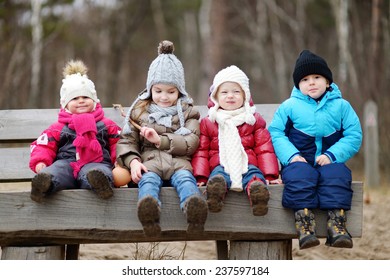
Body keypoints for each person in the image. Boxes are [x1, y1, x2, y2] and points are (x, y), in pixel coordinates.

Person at [268, 50, 363, 249]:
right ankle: (304, 224)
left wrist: (332, 155)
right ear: (298, 85)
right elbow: (276, 132)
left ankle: (336, 224)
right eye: (305, 79)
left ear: (328, 81)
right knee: (299, 175)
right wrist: (291, 156)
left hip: (330, 160)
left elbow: (354, 135)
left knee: (338, 173)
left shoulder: (342, 106)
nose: (311, 82)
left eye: (317, 77)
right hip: (299, 161)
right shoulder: (290, 106)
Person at [116, 40, 208, 237]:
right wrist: (133, 162)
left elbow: (192, 141)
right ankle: (149, 214)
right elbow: (127, 141)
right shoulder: (140, 112)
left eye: (171, 91)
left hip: (179, 163)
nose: (164, 97)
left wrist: (160, 141)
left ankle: (194, 212)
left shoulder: (188, 112)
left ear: (180, 90)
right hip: (149, 164)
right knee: (147, 181)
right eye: (158, 91)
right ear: (150, 89)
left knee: (186, 180)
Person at [191, 65, 280, 216]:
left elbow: (264, 148)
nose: (230, 96)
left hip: (248, 164)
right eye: (224, 92)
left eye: (236, 91)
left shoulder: (252, 119)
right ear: (215, 97)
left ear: (245, 95)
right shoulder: (209, 121)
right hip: (219, 165)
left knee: (254, 176)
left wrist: (270, 175)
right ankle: (215, 196)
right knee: (218, 177)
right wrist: (200, 176)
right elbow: (201, 152)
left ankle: (258, 197)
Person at [29, 60, 121, 203]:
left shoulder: (106, 124)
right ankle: (44, 183)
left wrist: (120, 162)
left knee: (97, 171)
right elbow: (43, 145)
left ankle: (100, 183)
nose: (81, 101)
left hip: (96, 161)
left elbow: (119, 143)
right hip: (66, 163)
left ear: (95, 100)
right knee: (58, 169)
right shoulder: (58, 127)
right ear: (65, 104)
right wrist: (40, 161)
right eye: (75, 98)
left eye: (85, 97)